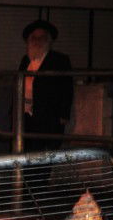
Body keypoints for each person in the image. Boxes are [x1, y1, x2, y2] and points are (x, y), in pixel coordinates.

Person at [18, 19, 73, 152]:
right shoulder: (25, 60)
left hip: (48, 117)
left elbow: (67, 88)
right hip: (26, 117)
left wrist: (64, 114)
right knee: (24, 153)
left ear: (48, 40)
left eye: (41, 38)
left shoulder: (60, 60)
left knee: (44, 155)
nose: (37, 41)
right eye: (33, 38)